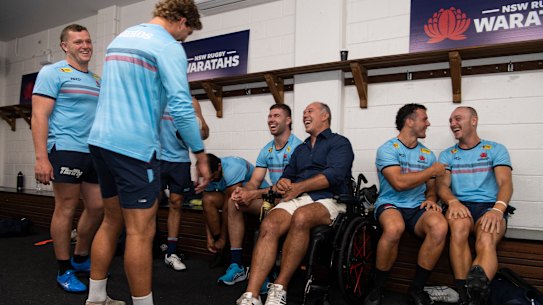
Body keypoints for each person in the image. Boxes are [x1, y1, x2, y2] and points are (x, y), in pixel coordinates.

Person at [85, 1, 210, 304]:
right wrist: (200, 153)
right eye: (186, 34)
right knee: (141, 231)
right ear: (181, 21)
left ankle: (96, 298)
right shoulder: (167, 46)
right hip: (132, 147)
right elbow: (181, 107)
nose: (183, 41)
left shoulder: (122, 37)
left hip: (100, 141)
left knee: (111, 220)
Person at [236, 102, 354, 305]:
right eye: (304, 113)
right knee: (270, 223)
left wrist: (299, 187)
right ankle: (252, 294)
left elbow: (334, 175)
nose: (305, 115)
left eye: (310, 111)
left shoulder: (339, 143)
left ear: (325, 116)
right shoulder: (301, 149)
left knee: (302, 216)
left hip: (330, 198)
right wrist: (284, 183)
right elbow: (288, 177)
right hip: (298, 197)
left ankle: (279, 287)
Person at [32, 24, 103, 294]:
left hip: (93, 152)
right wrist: (42, 157)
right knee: (66, 207)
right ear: (65, 46)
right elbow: (39, 115)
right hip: (65, 148)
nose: (85, 46)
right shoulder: (52, 72)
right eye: (77, 42)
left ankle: (81, 257)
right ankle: (64, 269)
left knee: (97, 207)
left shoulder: (97, 79)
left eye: (88, 40)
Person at [364, 103, 448, 305]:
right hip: (390, 203)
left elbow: (431, 188)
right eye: (424, 119)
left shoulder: (427, 155)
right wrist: (431, 171)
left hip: (417, 207)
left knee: (440, 226)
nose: (428, 123)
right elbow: (399, 183)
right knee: (394, 228)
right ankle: (377, 287)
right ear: (409, 121)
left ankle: (416, 289)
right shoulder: (387, 149)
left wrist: (430, 199)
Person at [218, 104, 302, 287]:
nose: (271, 119)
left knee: (270, 212)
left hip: (292, 202)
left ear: (288, 120)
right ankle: (237, 265)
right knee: (234, 202)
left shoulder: (298, 148)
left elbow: (290, 188)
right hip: (273, 198)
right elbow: (255, 181)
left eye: (277, 115)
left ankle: (267, 272)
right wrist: (243, 192)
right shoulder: (267, 150)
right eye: (270, 116)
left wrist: (254, 193)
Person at [437, 106, 513, 305]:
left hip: (490, 206)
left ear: (474, 121)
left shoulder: (496, 149)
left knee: (486, 238)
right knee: (459, 227)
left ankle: (475, 300)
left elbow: (505, 183)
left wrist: (498, 210)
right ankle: (464, 296)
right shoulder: (447, 155)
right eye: (451, 120)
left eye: (458, 118)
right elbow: (442, 186)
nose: (453, 123)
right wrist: (453, 201)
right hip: (460, 205)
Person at [160, 97, 209, 271]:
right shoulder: (153, 94)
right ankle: (144, 245)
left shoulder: (191, 101)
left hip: (179, 160)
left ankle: (171, 252)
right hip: (154, 158)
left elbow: (205, 133)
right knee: (147, 205)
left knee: (176, 203)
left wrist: (196, 127)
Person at [202, 153, 270, 267]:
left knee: (232, 203)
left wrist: (223, 240)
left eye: (213, 176)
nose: (212, 179)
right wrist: (209, 238)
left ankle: (225, 247)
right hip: (235, 197)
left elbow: (227, 206)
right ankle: (218, 246)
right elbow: (205, 208)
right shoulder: (208, 175)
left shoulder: (233, 167)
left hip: (257, 196)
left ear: (219, 167)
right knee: (207, 200)